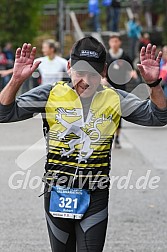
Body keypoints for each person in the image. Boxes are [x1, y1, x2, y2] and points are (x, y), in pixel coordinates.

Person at [0, 37, 167, 252]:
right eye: (80, 72)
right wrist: (15, 80)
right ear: (69, 67)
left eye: (93, 74)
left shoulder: (115, 98)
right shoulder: (50, 94)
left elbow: (159, 117)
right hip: (57, 190)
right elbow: (4, 113)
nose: (85, 81)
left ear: (104, 71)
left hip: (95, 192)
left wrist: (154, 84)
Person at [105, 34, 138, 148]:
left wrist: (132, 73)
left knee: (118, 113)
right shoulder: (106, 56)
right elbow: (101, 71)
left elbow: (131, 68)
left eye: (116, 41)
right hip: (107, 88)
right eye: (112, 41)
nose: (114, 43)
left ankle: (117, 138)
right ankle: (108, 137)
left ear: (119, 42)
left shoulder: (124, 55)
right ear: (109, 43)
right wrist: (102, 79)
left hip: (121, 89)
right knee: (107, 113)